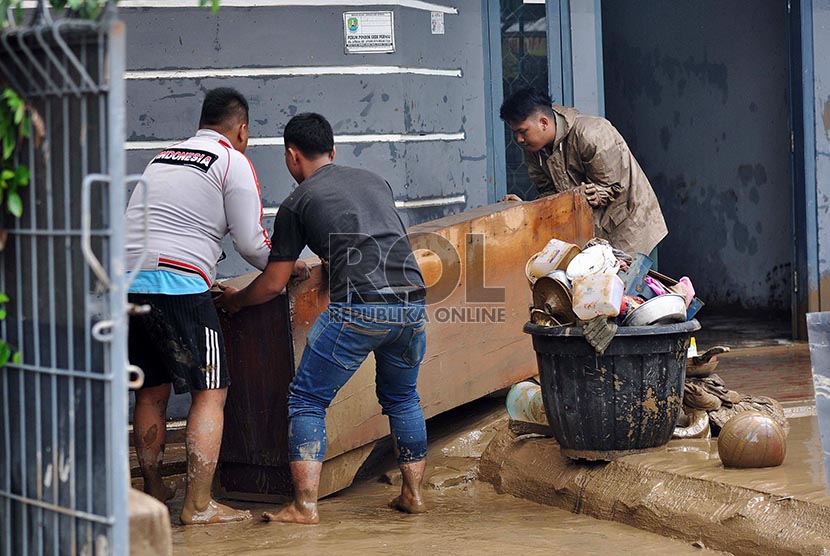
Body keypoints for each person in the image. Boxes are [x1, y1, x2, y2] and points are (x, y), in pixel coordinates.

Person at [217, 112, 428, 524]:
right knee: (403, 397)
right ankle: (413, 495)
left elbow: (275, 283)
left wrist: (236, 301)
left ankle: (304, 506)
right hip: (413, 301)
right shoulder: (374, 180)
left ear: (292, 156)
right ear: (332, 151)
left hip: (360, 306)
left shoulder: (298, 202)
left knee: (307, 399)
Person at [125, 87, 305, 524]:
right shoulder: (231, 161)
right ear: (241, 129)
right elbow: (252, 244)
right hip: (180, 283)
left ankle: (152, 489)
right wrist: (291, 265)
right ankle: (199, 506)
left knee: (151, 389)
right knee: (212, 389)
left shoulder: (163, 157)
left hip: (130, 280)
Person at [499, 87, 667, 256]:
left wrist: (593, 194)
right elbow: (550, 195)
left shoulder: (592, 133)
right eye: (515, 133)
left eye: (523, 131)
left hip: (633, 227)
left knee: (638, 281)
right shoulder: (534, 149)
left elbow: (612, 187)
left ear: (543, 122)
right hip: (594, 239)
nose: (519, 139)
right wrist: (527, 208)